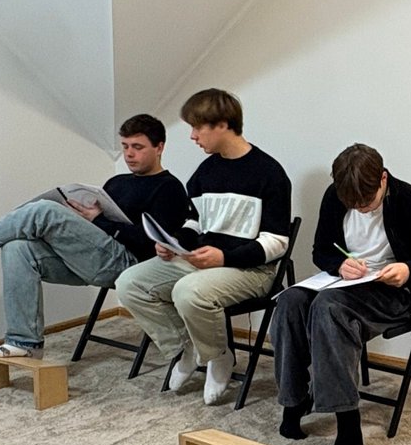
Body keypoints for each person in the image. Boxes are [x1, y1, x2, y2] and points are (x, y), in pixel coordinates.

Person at [0, 114, 189, 359]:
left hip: (130, 266)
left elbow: (153, 245)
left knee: (43, 211)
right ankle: (24, 343)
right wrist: (79, 219)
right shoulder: (117, 181)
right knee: (17, 247)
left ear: (159, 147)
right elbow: (98, 230)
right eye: (124, 146)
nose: (129, 154)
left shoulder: (170, 188)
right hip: (92, 258)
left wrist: (98, 221)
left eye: (137, 147)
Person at [116, 89, 292, 405]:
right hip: (202, 260)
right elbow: (194, 222)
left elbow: (277, 242)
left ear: (222, 125)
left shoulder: (269, 174)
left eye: (198, 127)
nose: (193, 136)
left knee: (188, 291)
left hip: (251, 269)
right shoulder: (205, 172)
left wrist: (224, 257)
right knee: (129, 283)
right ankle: (187, 348)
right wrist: (174, 243)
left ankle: (219, 355)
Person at [272, 144, 411, 445]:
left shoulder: (410, 200)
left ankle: (347, 418)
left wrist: (407, 270)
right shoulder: (334, 196)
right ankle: (294, 401)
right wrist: (339, 264)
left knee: (328, 309)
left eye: (367, 203)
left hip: (393, 291)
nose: (362, 209)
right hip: (343, 284)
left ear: (383, 179)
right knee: (289, 302)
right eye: (353, 205)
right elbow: (320, 251)